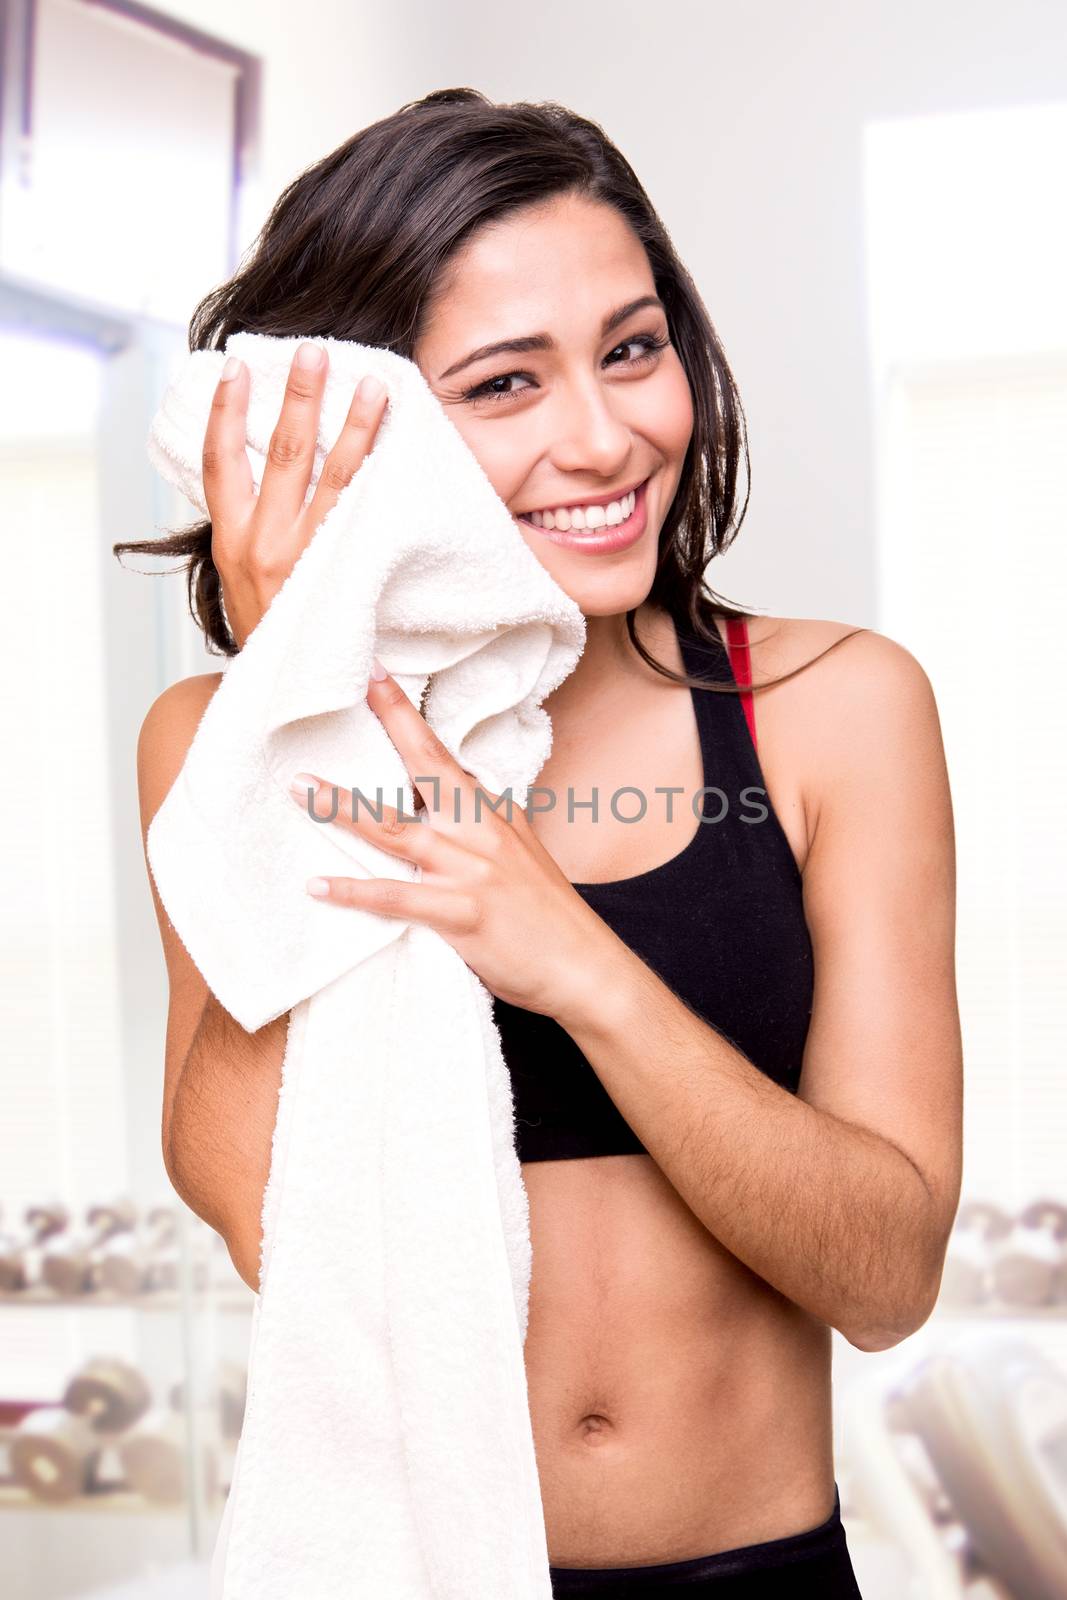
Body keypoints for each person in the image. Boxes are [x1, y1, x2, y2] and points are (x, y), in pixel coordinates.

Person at [120, 88, 963, 1597]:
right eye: (507, 384)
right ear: (359, 424)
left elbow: (887, 1276)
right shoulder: (209, 744)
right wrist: (301, 701)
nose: (606, 434)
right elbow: (270, 1225)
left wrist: (581, 967)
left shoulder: (834, 711)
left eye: (633, 349)